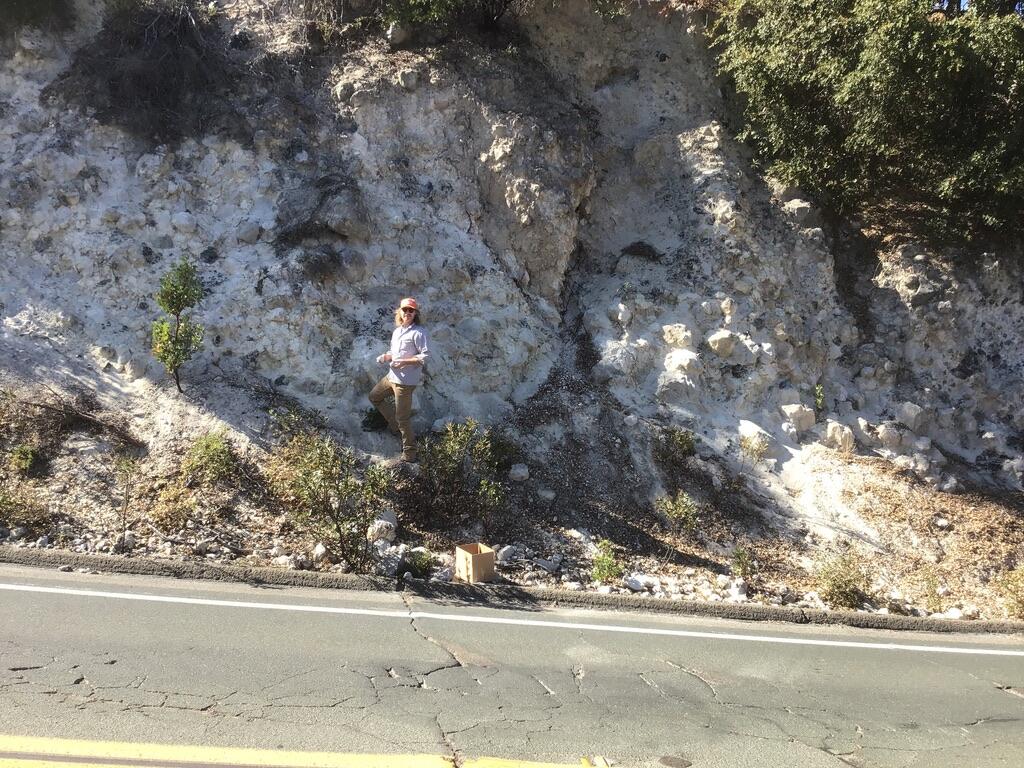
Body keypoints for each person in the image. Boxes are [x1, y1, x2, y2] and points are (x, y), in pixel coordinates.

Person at [369, 297, 430, 462]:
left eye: (411, 310)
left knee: (403, 418)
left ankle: (410, 453)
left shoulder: (419, 332)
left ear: (415, 313)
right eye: (405, 310)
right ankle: (395, 426)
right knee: (374, 396)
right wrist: (386, 356)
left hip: (405, 382)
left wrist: (404, 361)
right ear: (400, 312)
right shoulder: (397, 331)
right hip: (391, 377)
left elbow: (424, 356)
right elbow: (395, 353)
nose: (408, 313)